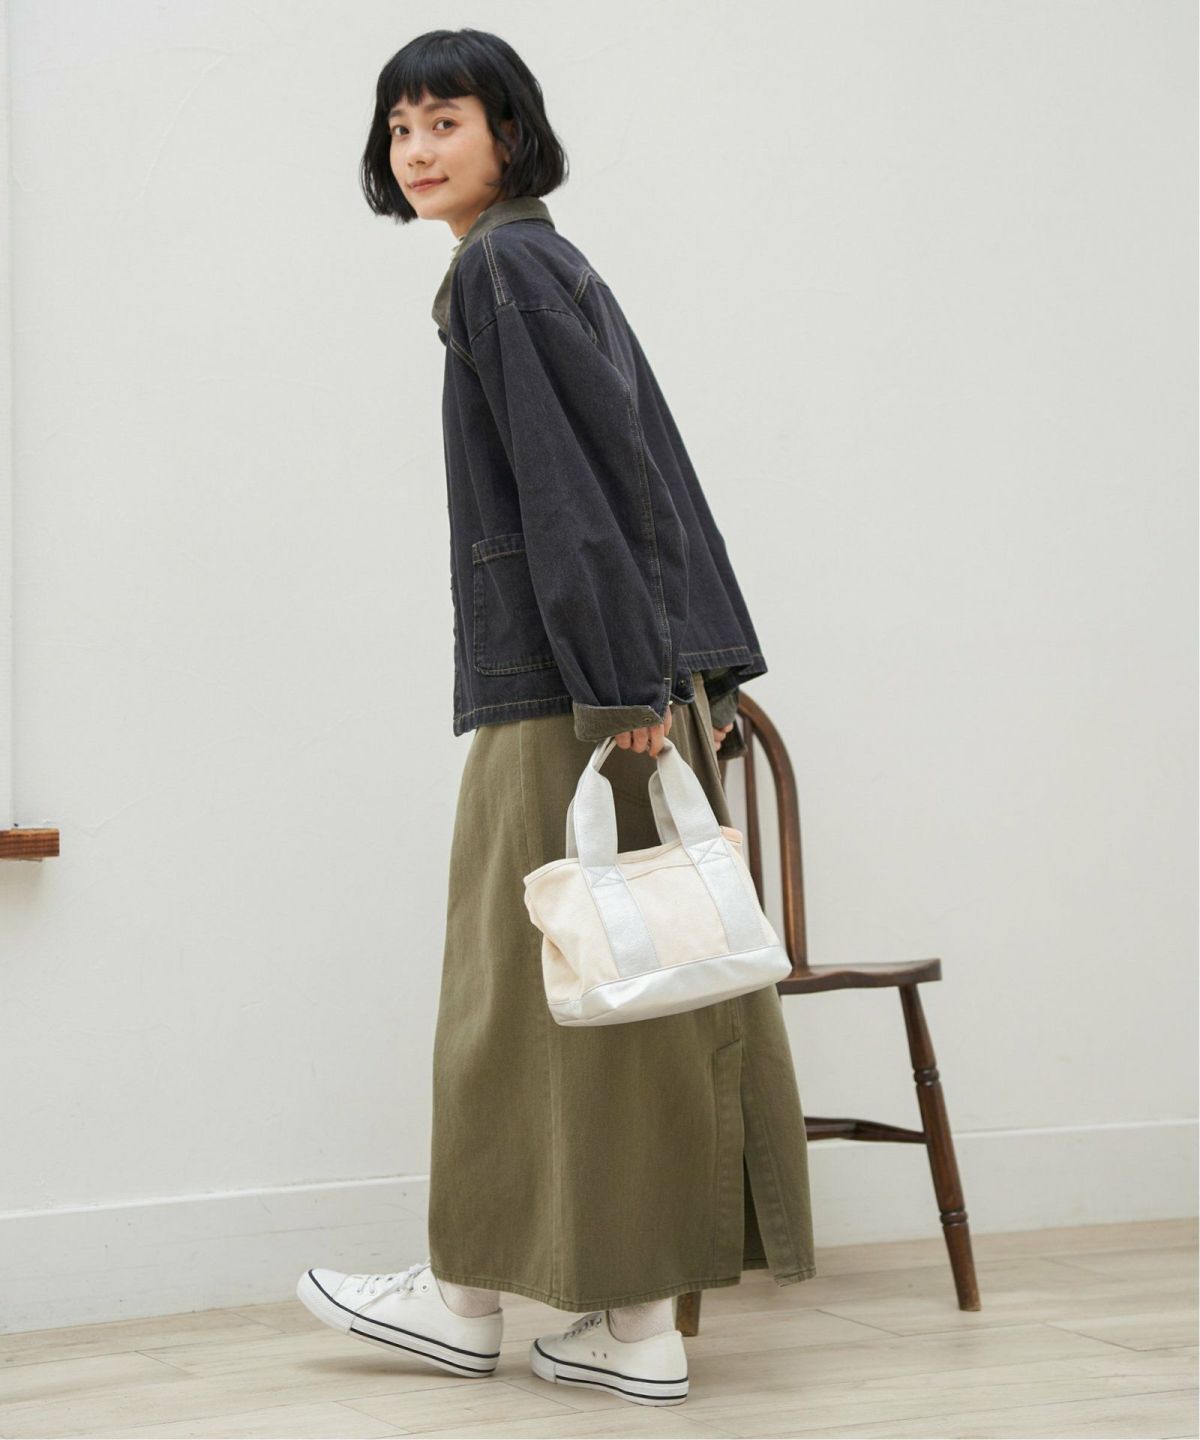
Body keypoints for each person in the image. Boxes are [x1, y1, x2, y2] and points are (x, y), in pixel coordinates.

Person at [297, 28, 816, 1409]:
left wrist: (618, 685)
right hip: (608, 684)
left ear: (509, 133)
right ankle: (619, 1327)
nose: (418, 148)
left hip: (573, 695)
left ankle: (479, 1304)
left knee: (529, 990)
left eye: (445, 120)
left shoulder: (505, 271)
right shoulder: (531, 265)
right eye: (400, 127)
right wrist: (660, 677)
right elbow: (632, 474)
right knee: (603, 993)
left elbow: (579, 485)